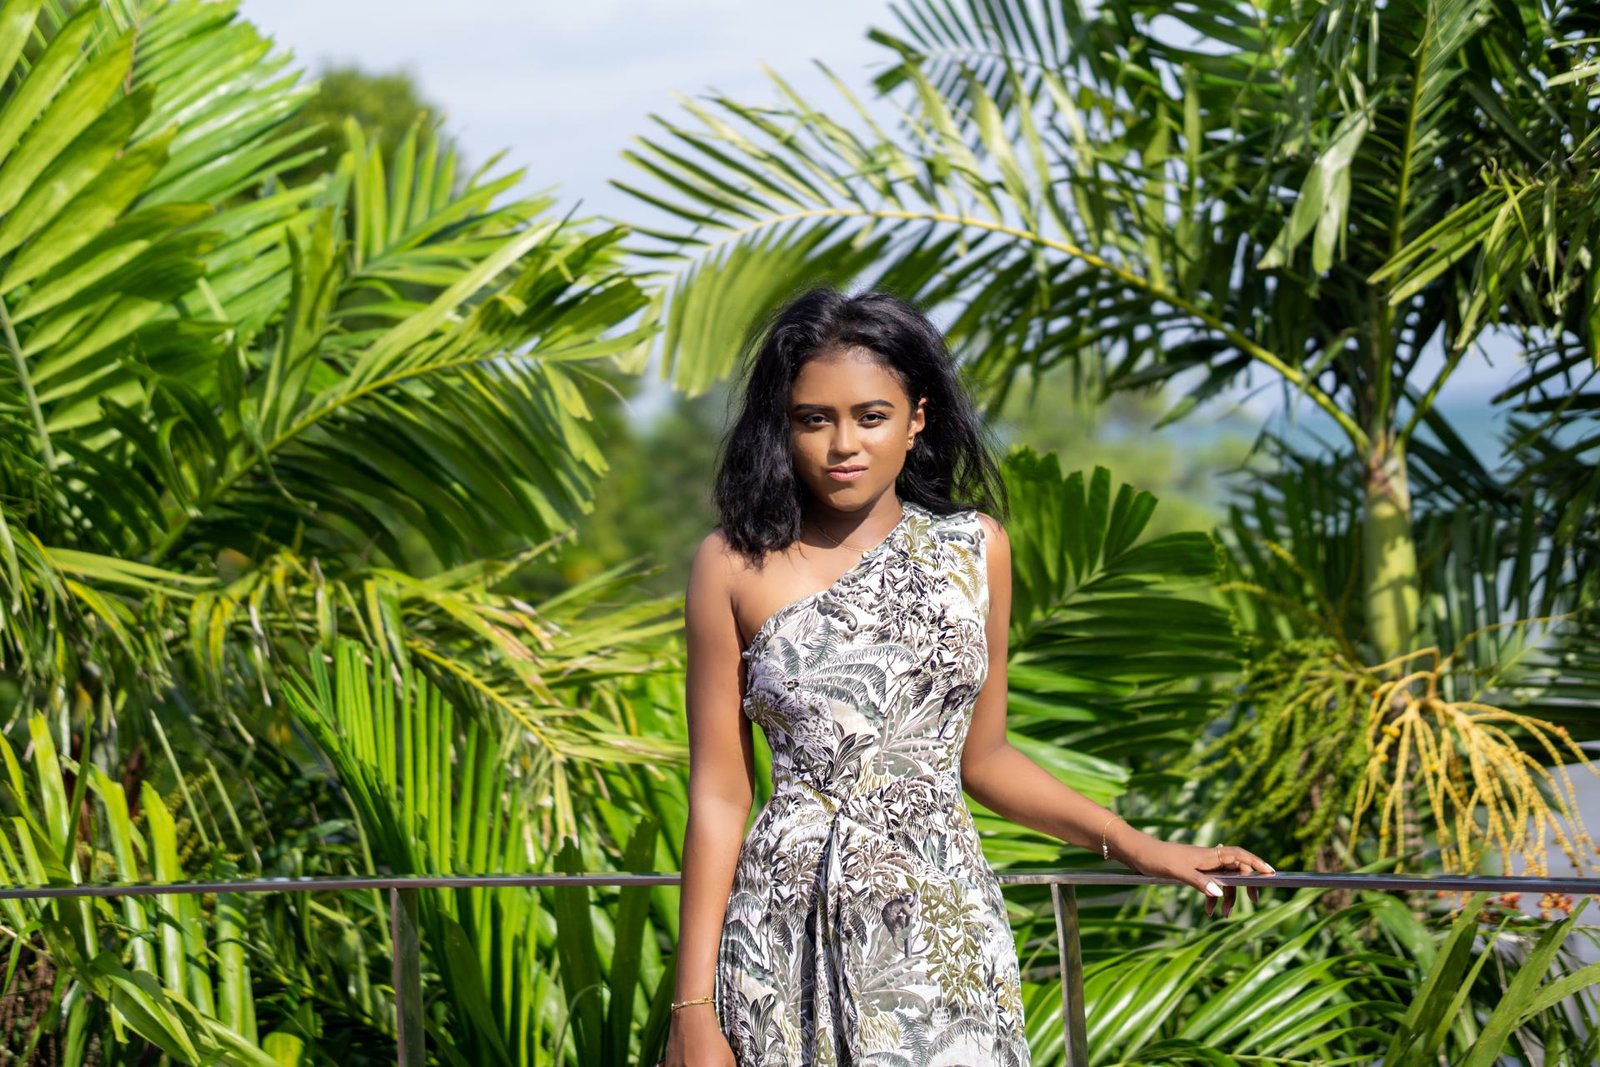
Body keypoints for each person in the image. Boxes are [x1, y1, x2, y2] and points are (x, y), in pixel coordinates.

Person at [661, 287, 1276, 1067]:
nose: (842, 443)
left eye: (871, 416)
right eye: (813, 418)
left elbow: (984, 760)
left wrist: (1139, 846)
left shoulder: (974, 550)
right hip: (785, 935)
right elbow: (720, 794)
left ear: (918, 418)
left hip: (939, 927)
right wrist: (693, 1009)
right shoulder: (733, 564)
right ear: (783, 427)